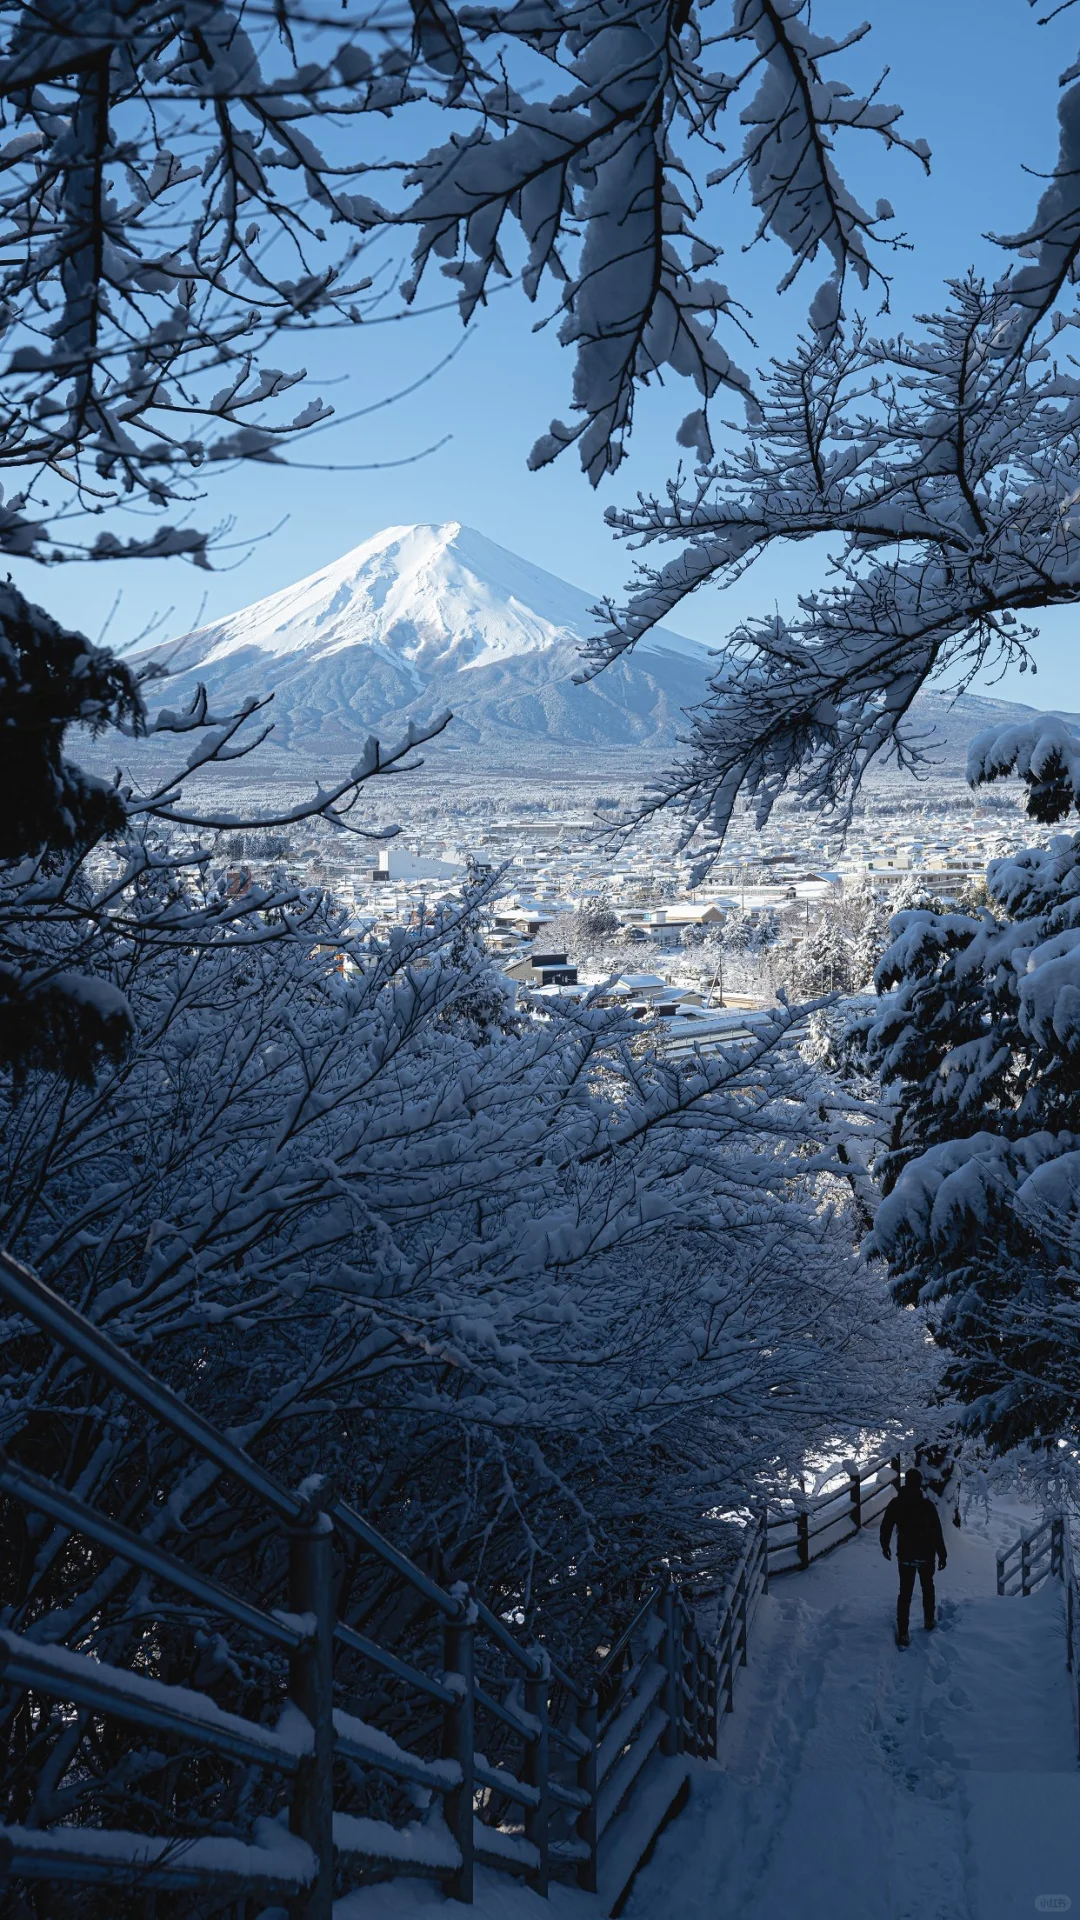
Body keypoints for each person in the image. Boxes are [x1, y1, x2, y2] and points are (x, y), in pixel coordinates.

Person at [879, 1468, 948, 1647]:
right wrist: (942, 1553)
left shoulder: (896, 1503)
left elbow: (886, 1526)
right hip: (926, 1554)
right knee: (928, 1587)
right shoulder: (927, 1505)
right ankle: (929, 1620)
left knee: (905, 1593)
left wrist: (884, 1545)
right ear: (919, 1484)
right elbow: (937, 1531)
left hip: (906, 1554)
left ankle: (903, 1632)